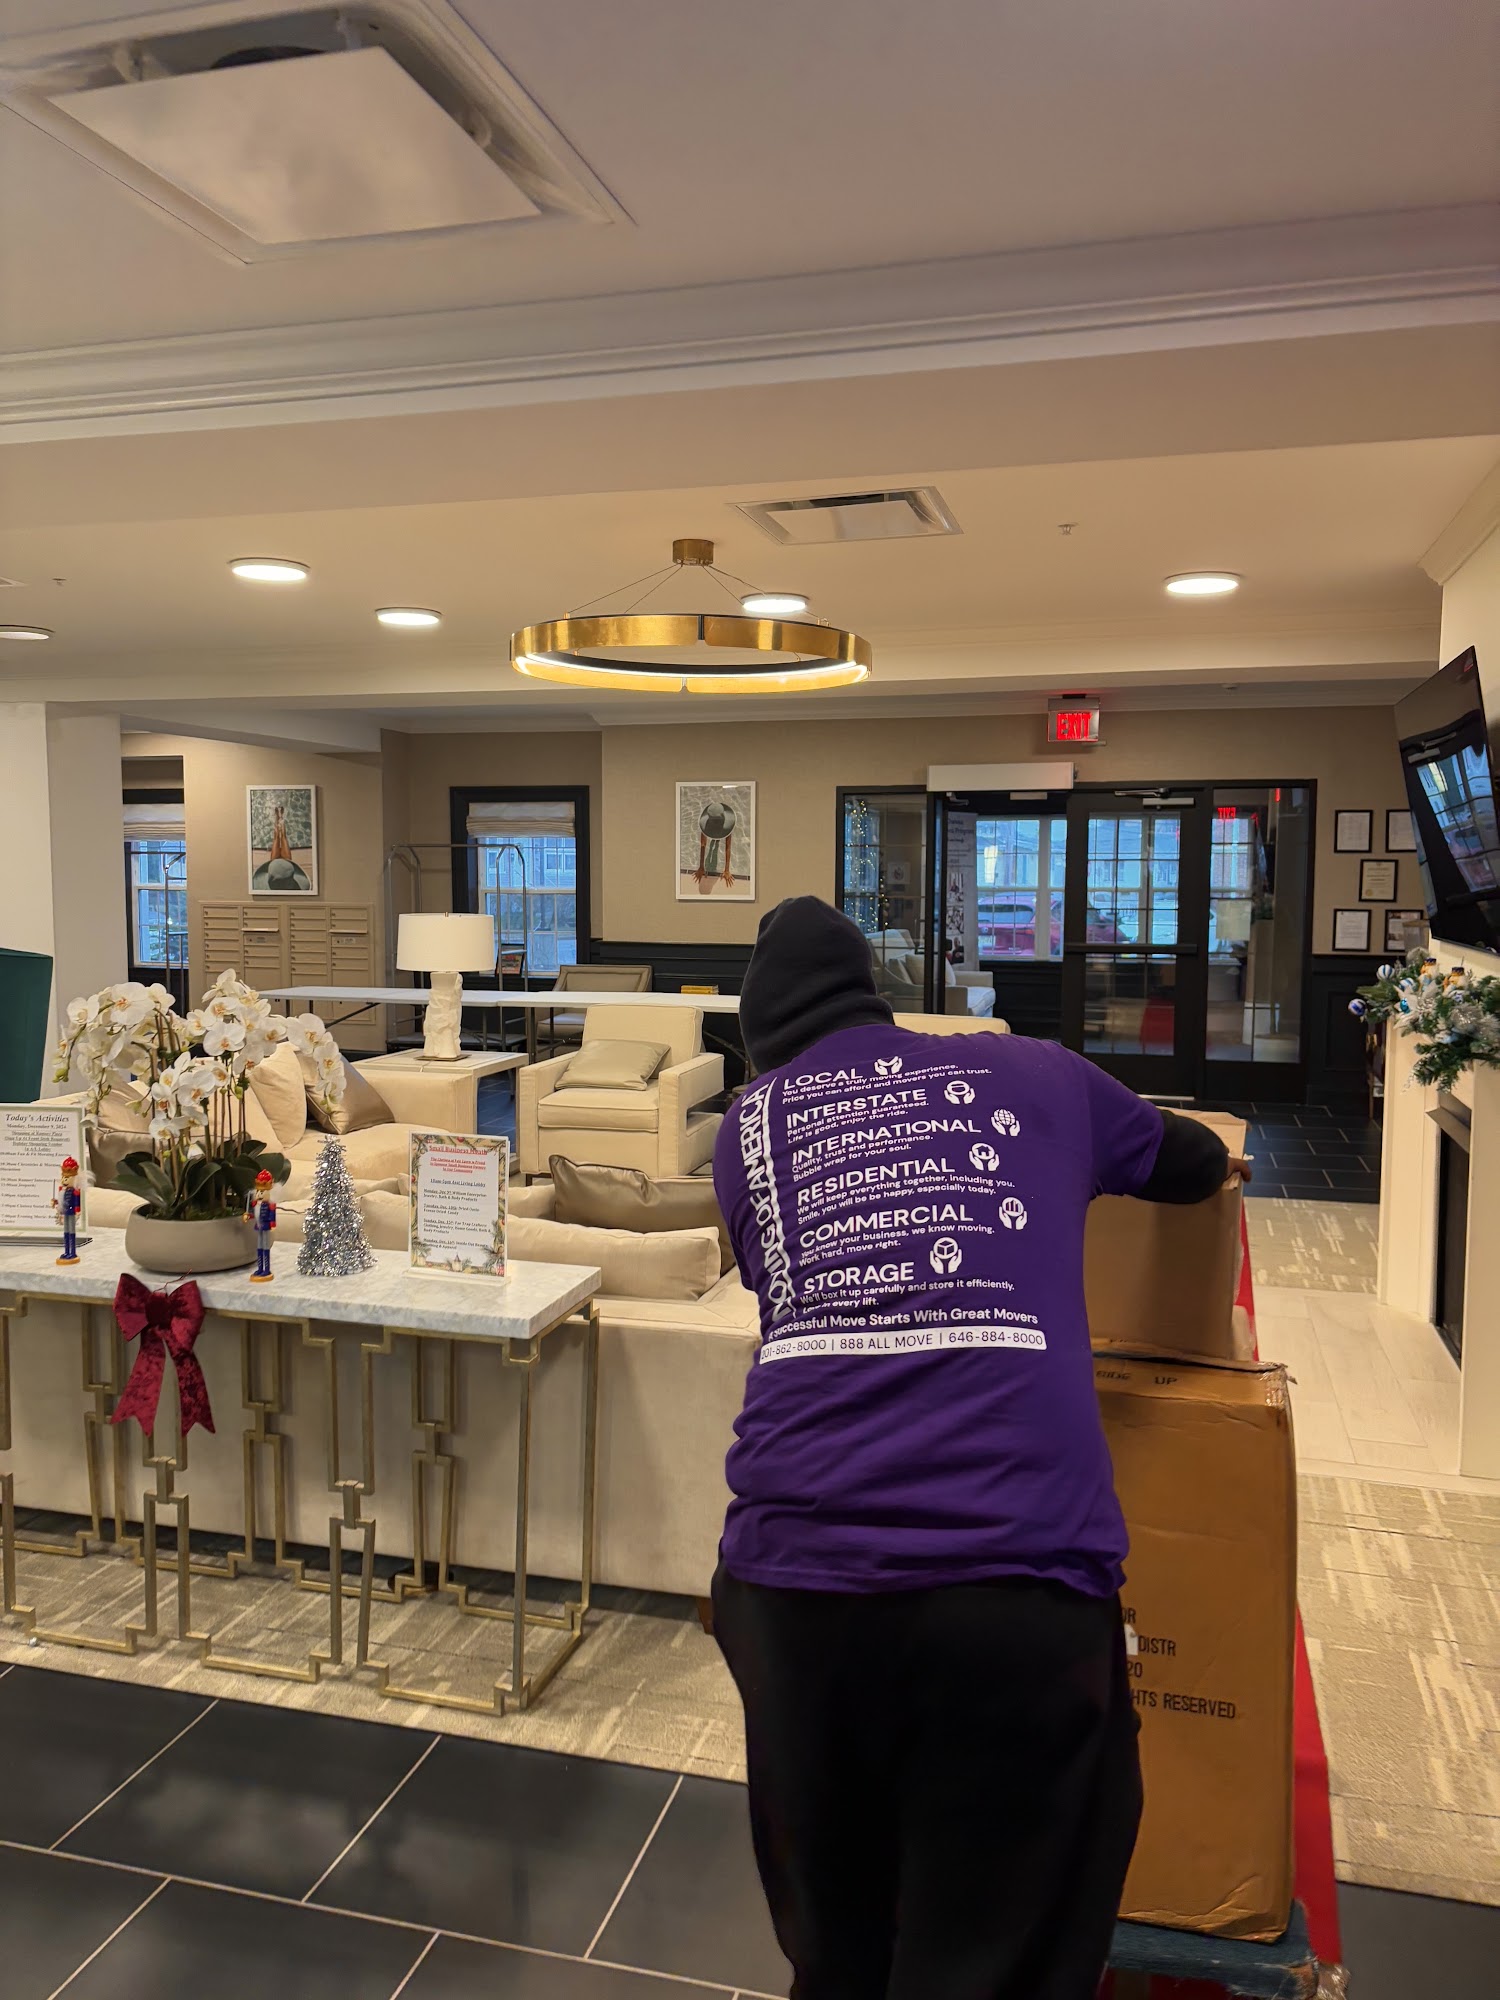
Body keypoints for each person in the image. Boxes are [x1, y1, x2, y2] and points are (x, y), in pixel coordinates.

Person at [711, 896, 1236, 2000]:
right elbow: (1190, 1160)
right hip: (1015, 1584)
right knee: (1001, 1948)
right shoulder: (1038, 1073)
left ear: (761, 1045)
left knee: (836, 1949)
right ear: (874, 999)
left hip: (791, 1591)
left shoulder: (746, 1128)